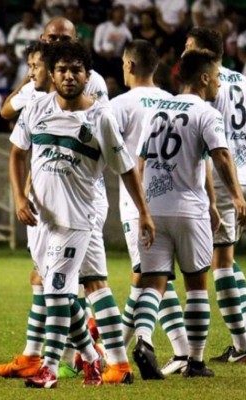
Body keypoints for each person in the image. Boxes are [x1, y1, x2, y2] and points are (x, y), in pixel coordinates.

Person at [8, 40, 155, 389]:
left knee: (56, 292)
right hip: (44, 219)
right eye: (62, 70)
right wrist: (18, 197)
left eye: (76, 70)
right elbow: (16, 153)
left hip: (77, 218)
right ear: (53, 74)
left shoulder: (100, 117)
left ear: (87, 76)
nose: (69, 76)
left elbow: (126, 169)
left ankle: (49, 368)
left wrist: (144, 213)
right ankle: (103, 361)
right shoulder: (36, 108)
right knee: (92, 285)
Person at [133, 49, 246, 379]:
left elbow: (141, 162)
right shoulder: (206, 112)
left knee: (153, 283)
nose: (218, 83)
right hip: (189, 209)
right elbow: (221, 157)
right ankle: (196, 363)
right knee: (197, 285)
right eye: (215, 76)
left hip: (153, 208)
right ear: (203, 78)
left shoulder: (156, 110)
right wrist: (237, 197)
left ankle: (143, 340)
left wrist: (143, 207)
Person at [184, 27, 246, 364]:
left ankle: (241, 347)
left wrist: (230, 185)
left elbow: (211, 145)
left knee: (218, 262)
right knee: (226, 254)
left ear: (202, 51)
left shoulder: (209, 85)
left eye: (188, 46)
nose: (184, 51)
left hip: (225, 182)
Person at [108, 39, 174, 364]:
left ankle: (117, 350)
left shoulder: (120, 105)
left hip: (135, 204)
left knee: (147, 277)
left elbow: (106, 153)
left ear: (130, 65)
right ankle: (183, 351)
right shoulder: (175, 103)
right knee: (155, 277)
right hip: (172, 201)